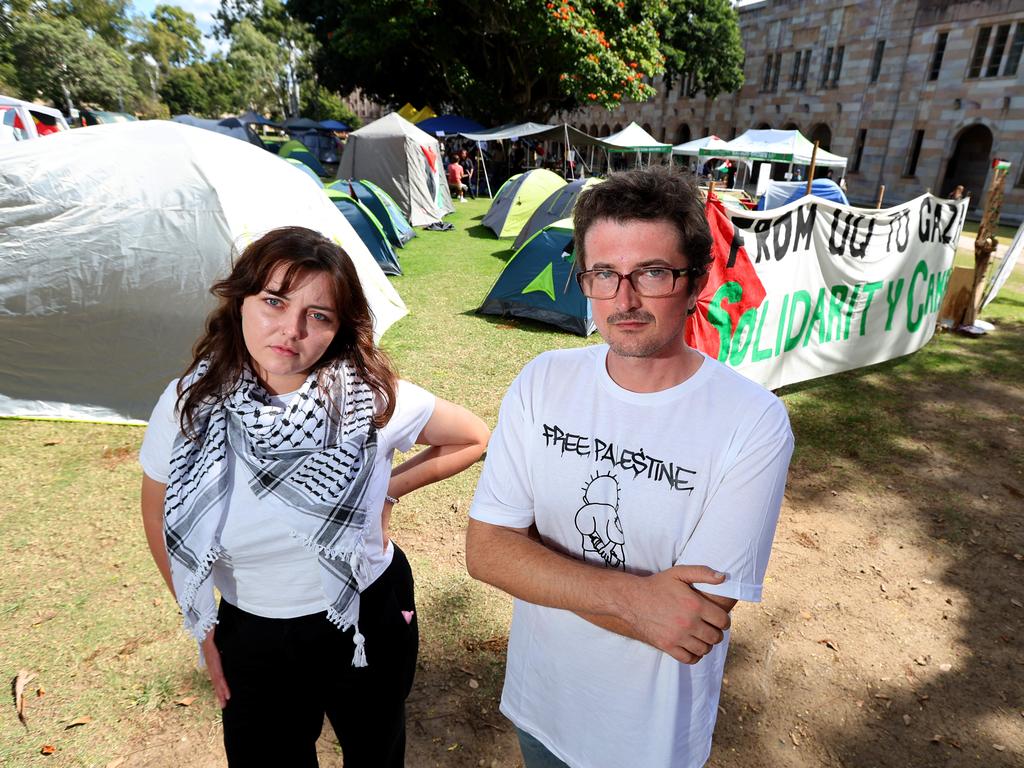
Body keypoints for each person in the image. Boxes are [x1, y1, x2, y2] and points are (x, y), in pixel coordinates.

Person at [465, 167, 794, 768]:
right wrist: (638, 601)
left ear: (695, 280)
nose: (625, 299)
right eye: (604, 274)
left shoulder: (753, 421)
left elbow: (689, 619)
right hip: (540, 705)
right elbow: (486, 551)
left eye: (652, 272)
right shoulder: (544, 382)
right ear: (584, 279)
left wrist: (536, 559)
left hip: (646, 740)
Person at [140, 226, 489, 767]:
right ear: (240, 303)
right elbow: (159, 513)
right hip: (251, 630)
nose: (290, 330)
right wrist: (202, 627)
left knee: (375, 753)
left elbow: (472, 437)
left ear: (338, 328)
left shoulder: (372, 398)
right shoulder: (192, 400)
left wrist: (389, 490)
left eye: (318, 315)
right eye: (274, 302)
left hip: (366, 615)